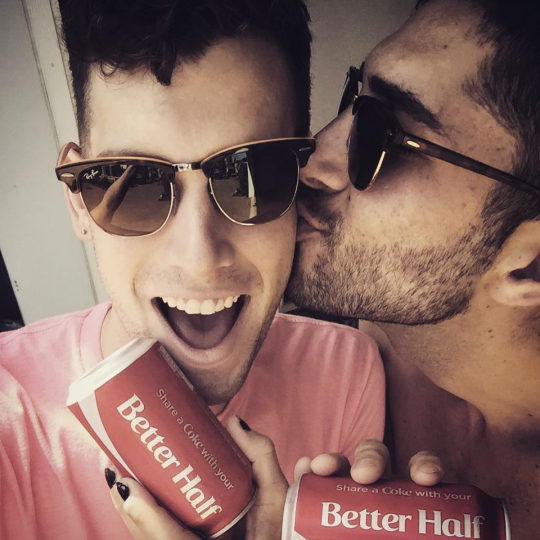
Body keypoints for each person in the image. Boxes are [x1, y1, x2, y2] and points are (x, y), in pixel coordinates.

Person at [0, 1, 389, 539]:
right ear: (78, 204)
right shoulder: (8, 414)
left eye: (252, 176)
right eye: (133, 182)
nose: (200, 257)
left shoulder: (346, 371)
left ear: (299, 186)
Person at [286, 0, 540, 537]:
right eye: (355, 101)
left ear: (531, 265)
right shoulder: (351, 336)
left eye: (383, 136)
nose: (310, 162)